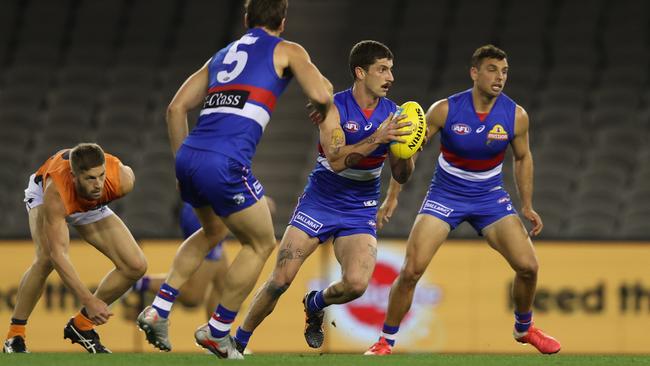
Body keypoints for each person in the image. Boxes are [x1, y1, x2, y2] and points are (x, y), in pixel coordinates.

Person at [135, 0, 332, 359]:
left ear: (246, 19)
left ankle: (158, 309)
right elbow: (321, 93)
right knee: (261, 243)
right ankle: (218, 330)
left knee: (212, 232)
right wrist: (323, 102)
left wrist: (181, 160)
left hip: (190, 156)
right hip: (225, 162)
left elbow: (176, 108)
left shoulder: (222, 55)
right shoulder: (287, 49)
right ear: (283, 21)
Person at [364, 44, 561, 356]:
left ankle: (524, 328)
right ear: (474, 73)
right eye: (492, 69)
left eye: (505, 71)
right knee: (412, 270)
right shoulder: (444, 110)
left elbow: (523, 158)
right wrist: (392, 197)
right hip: (446, 195)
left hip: (489, 197)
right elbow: (407, 151)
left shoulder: (516, 116)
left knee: (529, 267)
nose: (500, 77)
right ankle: (385, 341)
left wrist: (526, 205)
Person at [230, 40, 414, 353]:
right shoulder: (332, 107)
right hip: (321, 201)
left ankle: (315, 303)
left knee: (356, 284)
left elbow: (401, 175)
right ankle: (236, 344)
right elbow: (338, 160)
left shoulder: (395, 115)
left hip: (359, 208)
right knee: (280, 279)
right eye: (382, 69)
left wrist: (406, 150)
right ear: (360, 72)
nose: (390, 77)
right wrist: (378, 138)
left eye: (391, 70)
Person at [3, 143, 145, 354]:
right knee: (45, 260)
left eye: (101, 175)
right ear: (74, 175)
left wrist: (90, 307)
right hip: (47, 193)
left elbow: (101, 183)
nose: (98, 184)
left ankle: (81, 326)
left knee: (135, 266)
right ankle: (15, 336)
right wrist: (90, 300)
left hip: (88, 202)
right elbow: (58, 255)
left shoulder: (121, 179)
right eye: (90, 178)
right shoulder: (56, 193)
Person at [132, 197, 275, 321]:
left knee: (222, 282)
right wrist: (256, 203)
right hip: (207, 213)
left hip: (206, 209)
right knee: (193, 297)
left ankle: (215, 336)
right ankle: (136, 283)